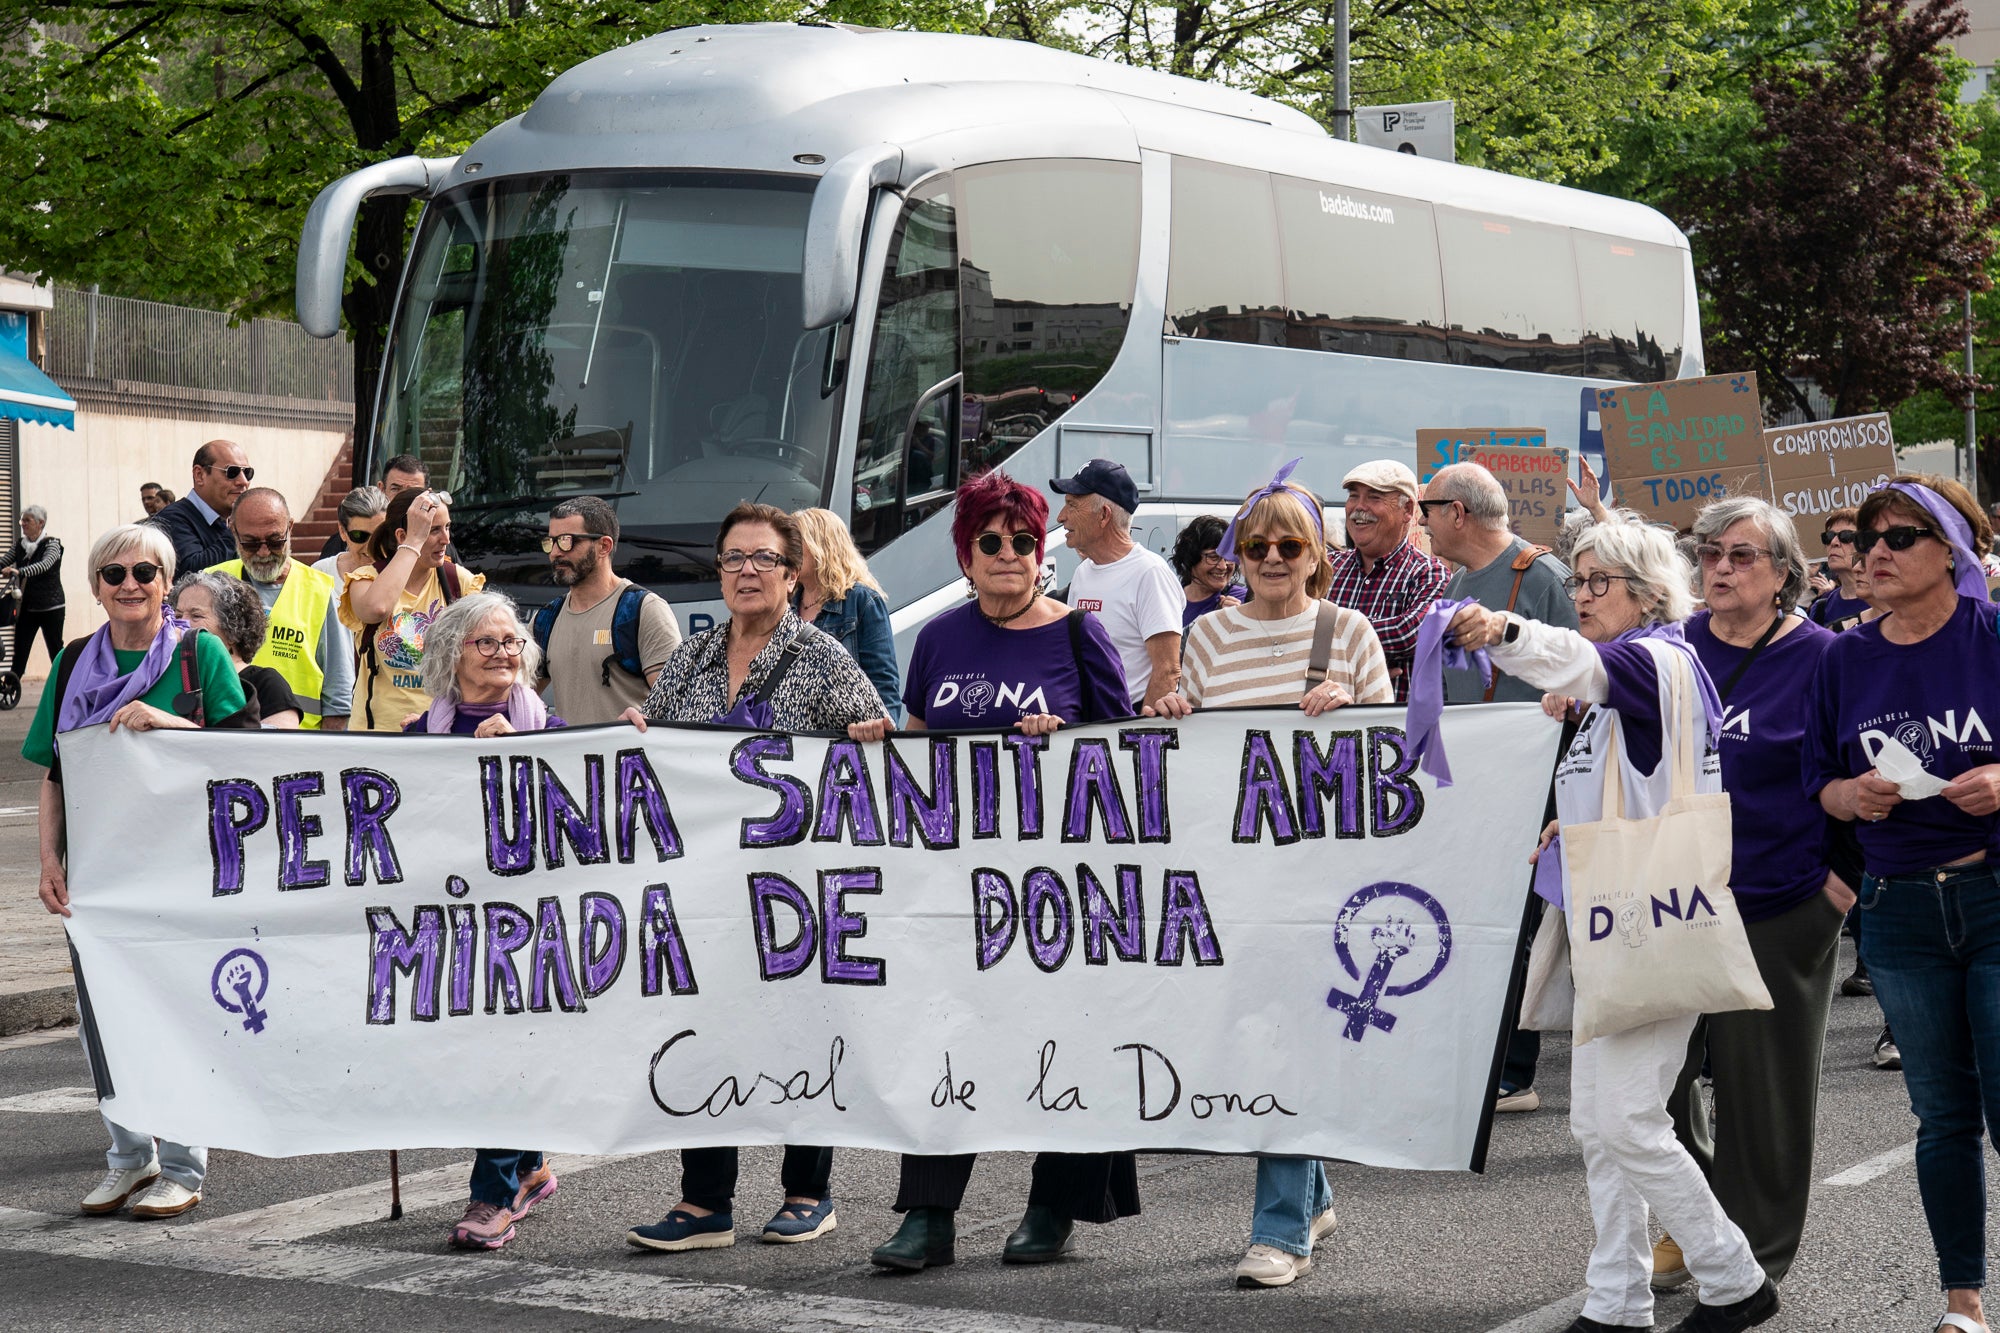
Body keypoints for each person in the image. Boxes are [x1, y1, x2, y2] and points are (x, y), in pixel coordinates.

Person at [1447, 517, 1780, 1333]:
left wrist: (1505, 629)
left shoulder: (1644, 660)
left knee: (1626, 1121)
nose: (1584, 592)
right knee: (1600, 1125)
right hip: (1627, 915)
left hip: (1646, 921)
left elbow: (1576, 659)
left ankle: (1734, 1279)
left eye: (1598, 581)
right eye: (1582, 578)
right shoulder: (1656, 669)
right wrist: (1575, 822)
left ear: (1646, 592)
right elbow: (1634, 776)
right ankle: (1616, 1302)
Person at [861, 470, 1136, 1273]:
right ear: (967, 552)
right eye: (991, 541)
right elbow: (917, 745)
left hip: (1061, 886)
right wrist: (884, 745)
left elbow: (1130, 762)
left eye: (1022, 540)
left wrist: (1068, 740)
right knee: (947, 1036)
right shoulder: (941, 638)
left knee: (1067, 1039)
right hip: (955, 888)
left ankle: (1052, 1206)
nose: (1008, 555)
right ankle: (928, 1213)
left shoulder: (1080, 636)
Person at [620, 501, 885, 1253]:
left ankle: (809, 1190)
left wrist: (867, 737)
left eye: (763, 559)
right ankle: (705, 1202)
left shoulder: (824, 658)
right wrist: (641, 728)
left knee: (801, 1029)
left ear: (793, 572)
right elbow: (660, 741)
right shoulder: (696, 658)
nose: (745, 571)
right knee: (707, 1032)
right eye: (733, 557)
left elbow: (877, 755)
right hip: (706, 889)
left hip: (798, 888)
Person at [1152, 468, 1389, 1288]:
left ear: (1318, 554)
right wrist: (1174, 714)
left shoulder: (1351, 632)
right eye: (1258, 545)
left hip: (1317, 883)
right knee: (1251, 1041)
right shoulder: (1208, 637)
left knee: (1287, 1040)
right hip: (1229, 879)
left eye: (1291, 544)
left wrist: (1349, 711)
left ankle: (1281, 1228)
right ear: (1238, 556)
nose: (1274, 557)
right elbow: (1189, 759)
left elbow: (1390, 767)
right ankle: (1312, 1187)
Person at [1803, 475, 2000, 1333]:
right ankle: (1963, 1302)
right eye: (1869, 536)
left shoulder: (1993, 636)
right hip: (1901, 913)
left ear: (1952, 550)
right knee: (1942, 1117)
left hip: (1996, 895)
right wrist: (1851, 795)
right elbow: (1815, 783)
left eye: (1900, 536)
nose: (1874, 551)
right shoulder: (1842, 655)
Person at [24, 523, 253, 1222]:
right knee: (103, 1019)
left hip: (181, 867)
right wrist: (48, 859)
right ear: (95, 586)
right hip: (99, 870)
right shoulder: (68, 665)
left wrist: (168, 722)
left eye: (145, 573)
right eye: (115, 573)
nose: (130, 585)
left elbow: (245, 750)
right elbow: (57, 772)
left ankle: (183, 1165)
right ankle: (129, 1157)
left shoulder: (198, 653)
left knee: (177, 1013)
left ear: (165, 581)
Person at [1641, 497, 1843, 1292]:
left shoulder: (1826, 657)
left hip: (1780, 899)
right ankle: (1698, 1224)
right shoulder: (1669, 647)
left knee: (1764, 1092)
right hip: (1672, 898)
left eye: (1742, 555)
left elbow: (1859, 773)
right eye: (1710, 553)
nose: (1720, 568)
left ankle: (1752, 1256)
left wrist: (1840, 887)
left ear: (1785, 574)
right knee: (1657, 1077)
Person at [405, 592, 564, 1250]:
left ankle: (493, 1193)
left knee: (508, 1048)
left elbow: (571, 823)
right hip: (452, 919)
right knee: (480, 1053)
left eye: (512, 642)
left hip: (529, 921)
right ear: (452, 653)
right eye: (487, 642)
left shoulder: (549, 730)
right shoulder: (421, 735)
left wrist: (519, 756)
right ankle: (527, 1165)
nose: (504, 652)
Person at [1419, 462, 1578, 1115]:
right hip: (1481, 775)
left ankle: (1515, 1067)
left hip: (1534, 780)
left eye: (1425, 506)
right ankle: (1491, 1058)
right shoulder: (1460, 580)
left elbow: (1584, 658)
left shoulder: (1539, 576)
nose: (1419, 519)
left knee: (1519, 918)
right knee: (1487, 915)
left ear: (1457, 512)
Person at [338, 487, 484, 731]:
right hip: (378, 736)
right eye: (433, 530)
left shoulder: (459, 581)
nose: (446, 539)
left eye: (447, 528)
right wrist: (414, 541)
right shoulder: (366, 580)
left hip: (441, 732)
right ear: (402, 535)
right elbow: (376, 608)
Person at [208, 488, 352, 730]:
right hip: (224, 738)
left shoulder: (320, 591)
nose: (264, 552)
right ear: (232, 530)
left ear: (290, 528)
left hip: (298, 746)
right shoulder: (210, 584)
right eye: (251, 543)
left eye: (275, 541)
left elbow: (339, 693)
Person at [530, 496, 682, 726]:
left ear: (604, 546)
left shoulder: (642, 610)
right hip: (566, 761)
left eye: (566, 541)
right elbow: (517, 699)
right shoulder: (546, 619)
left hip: (629, 761)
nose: (555, 553)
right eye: (551, 542)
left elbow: (676, 706)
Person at [1052, 458, 1183, 709]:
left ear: (1103, 515)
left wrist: (1140, 735)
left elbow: (1167, 670)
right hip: (1087, 722)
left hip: (1125, 724)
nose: (1061, 516)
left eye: (1072, 505)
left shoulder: (1150, 573)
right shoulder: (1083, 573)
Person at [1327, 459, 1450, 702]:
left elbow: (1408, 635)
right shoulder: (1328, 567)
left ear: (1407, 510)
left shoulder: (1431, 575)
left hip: (1396, 732)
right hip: (1326, 728)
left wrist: (1324, 647)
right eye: (1353, 496)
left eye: (1374, 498)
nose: (1359, 508)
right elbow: (1292, 627)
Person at [792, 507, 900, 721]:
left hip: (847, 738)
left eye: (796, 542)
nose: (787, 550)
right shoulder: (786, 604)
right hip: (799, 740)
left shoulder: (861, 601)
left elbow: (884, 684)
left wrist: (882, 740)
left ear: (822, 545)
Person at [170, 571, 299, 727]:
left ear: (232, 629)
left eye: (196, 616)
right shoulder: (170, 675)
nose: (181, 624)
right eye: (177, 616)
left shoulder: (267, 684)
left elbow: (275, 748)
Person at [145, 439, 253, 574]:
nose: (243, 481)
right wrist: (238, 529)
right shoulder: (169, 520)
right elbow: (193, 574)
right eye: (232, 472)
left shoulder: (227, 522)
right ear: (199, 475)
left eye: (247, 473)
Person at [317, 453, 432, 559]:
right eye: (395, 489)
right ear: (381, 489)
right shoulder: (346, 540)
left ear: (428, 494)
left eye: (412, 492)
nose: (403, 498)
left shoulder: (438, 539)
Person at [2, 505, 64, 679]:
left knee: (55, 649)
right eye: (22, 520)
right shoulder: (20, 545)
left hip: (51, 606)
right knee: (20, 649)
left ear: (41, 523)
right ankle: (10, 685)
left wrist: (19, 571)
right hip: (28, 606)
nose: (22, 524)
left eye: (27, 520)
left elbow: (44, 565)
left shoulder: (52, 544)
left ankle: (64, 682)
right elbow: (4, 561)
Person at [1171, 514, 1247, 625]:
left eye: (1228, 557)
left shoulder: (1244, 600)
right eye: (1213, 557)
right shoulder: (1171, 601)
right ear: (1191, 557)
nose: (1223, 566)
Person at [312, 486, 388, 585]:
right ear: (342, 532)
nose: (370, 546)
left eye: (379, 535)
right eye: (359, 535)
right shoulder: (321, 573)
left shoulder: (403, 572)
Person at [1808, 507, 1868, 629]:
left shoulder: (1885, 601)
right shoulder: (1821, 608)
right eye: (1828, 536)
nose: (1834, 542)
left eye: (1846, 536)